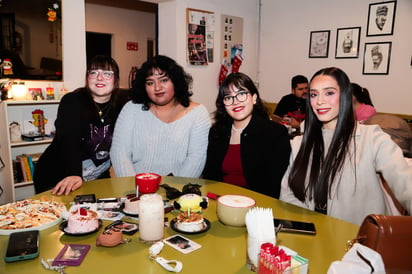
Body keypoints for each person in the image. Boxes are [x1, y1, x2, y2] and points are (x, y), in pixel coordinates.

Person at [279, 67, 412, 225]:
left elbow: (405, 182)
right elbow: (288, 193)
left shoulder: (371, 138)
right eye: (314, 94)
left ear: (345, 96)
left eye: (329, 93)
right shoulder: (300, 144)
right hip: (314, 236)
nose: (320, 101)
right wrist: (309, 224)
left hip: (361, 242)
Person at [33, 55, 129, 195]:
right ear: (87, 78)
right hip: (59, 176)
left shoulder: (123, 104)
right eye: (93, 73)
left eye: (107, 73)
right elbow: (69, 139)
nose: (100, 78)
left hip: (95, 177)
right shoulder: (72, 101)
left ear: (116, 80)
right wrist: (73, 174)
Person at [110, 55, 210, 178]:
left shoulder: (198, 113)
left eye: (164, 80)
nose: (157, 88)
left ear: (175, 81)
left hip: (180, 191)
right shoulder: (131, 109)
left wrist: (177, 190)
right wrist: (134, 189)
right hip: (136, 190)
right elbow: (119, 153)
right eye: (150, 82)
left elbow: (196, 158)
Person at [202, 72, 291, 198]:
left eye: (242, 94)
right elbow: (210, 176)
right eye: (228, 97)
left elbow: (275, 184)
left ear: (254, 98)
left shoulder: (275, 133)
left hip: (258, 207)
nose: (235, 102)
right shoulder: (217, 132)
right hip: (221, 201)